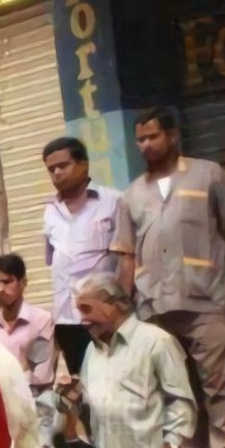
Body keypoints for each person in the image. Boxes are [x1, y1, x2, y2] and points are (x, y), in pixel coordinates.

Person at [117, 107, 225, 448]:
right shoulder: (132, 194)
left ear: (172, 135)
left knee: (221, 387)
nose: (146, 145)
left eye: (152, 136)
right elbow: (126, 255)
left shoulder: (207, 174)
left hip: (205, 301)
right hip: (154, 309)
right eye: (140, 139)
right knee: (176, 390)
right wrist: (123, 307)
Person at [74, 273, 196, 448]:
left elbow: (181, 402)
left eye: (86, 309)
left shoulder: (156, 341)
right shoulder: (92, 350)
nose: (81, 319)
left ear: (114, 304)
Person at [41, 136, 133, 376]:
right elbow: (55, 264)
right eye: (51, 169)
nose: (57, 173)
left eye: (63, 165)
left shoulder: (113, 201)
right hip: (67, 320)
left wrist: (121, 310)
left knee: (117, 382)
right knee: (83, 389)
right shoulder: (50, 211)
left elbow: (127, 259)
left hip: (105, 317)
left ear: (84, 165)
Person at [0, 254, 58, 392]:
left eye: (7, 281)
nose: (0, 289)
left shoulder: (41, 321)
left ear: (23, 283)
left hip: (34, 400)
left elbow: (41, 375)